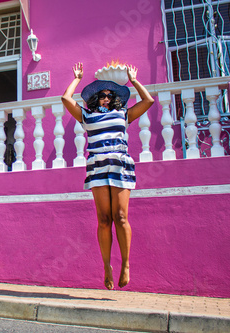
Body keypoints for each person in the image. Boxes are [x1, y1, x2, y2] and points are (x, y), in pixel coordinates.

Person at [61, 62, 154, 290]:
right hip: (98, 166)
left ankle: (126, 264)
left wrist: (133, 81)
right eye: (102, 95)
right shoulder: (87, 116)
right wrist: (77, 78)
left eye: (109, 95)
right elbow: (65, 99)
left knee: (120, 216)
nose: (106, 98)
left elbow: (148, 101)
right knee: (104, 220)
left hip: (120, 164)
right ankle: (106, 266)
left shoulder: (123, 114)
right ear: (95, 99)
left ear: (114, 99)